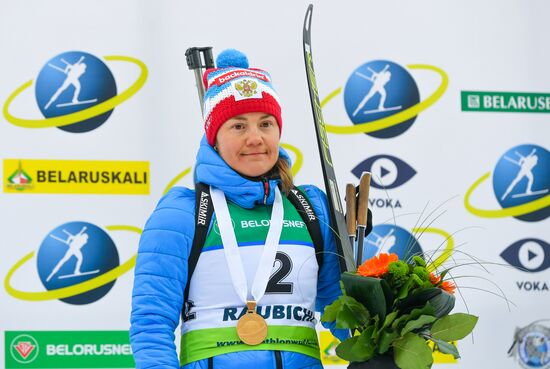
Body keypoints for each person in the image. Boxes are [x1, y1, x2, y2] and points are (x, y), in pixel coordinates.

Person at [130, 49, 350, 369]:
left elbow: (342, 314)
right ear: (214, 137)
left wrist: (385, 341)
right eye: (238, 126)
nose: (255, 138)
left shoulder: (310, 208)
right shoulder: (181, 214)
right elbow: (151, 325)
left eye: (265, 123)